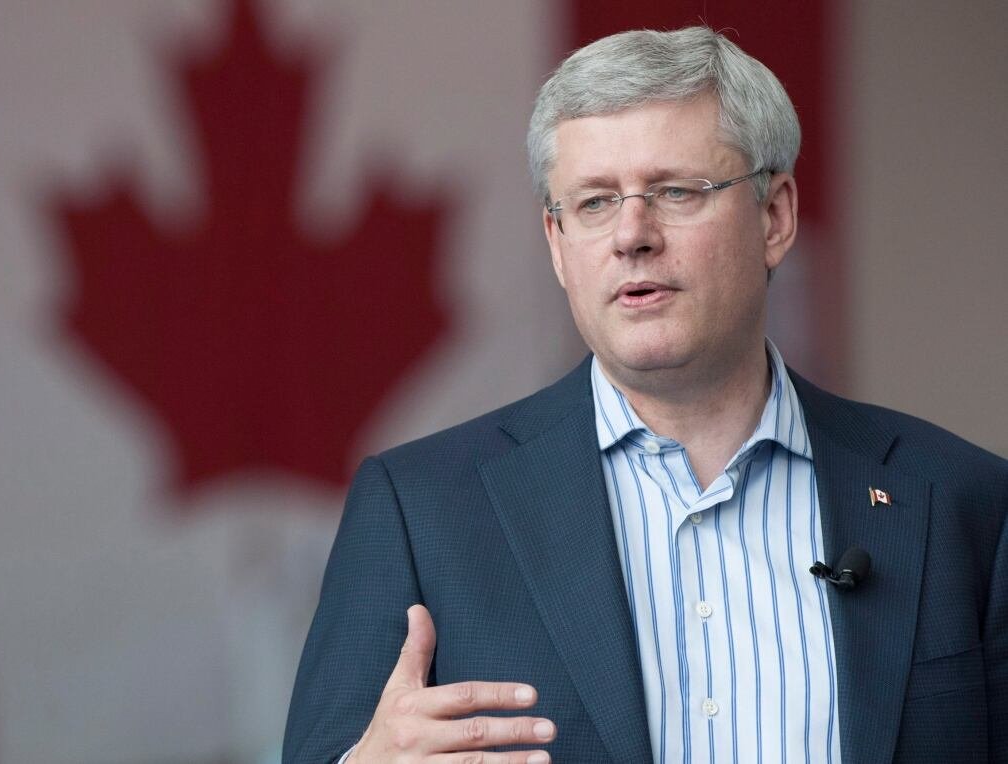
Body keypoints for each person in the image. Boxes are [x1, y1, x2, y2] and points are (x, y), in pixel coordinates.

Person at [283, 26, 1008, 763]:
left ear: (776, 216)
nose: (632, 234)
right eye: (594, 202)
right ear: (557, 243)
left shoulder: (959, 504)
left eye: (674, 191)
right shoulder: (418, 510)